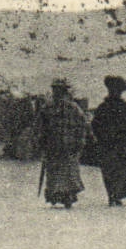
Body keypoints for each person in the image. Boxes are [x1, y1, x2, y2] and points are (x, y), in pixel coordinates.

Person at [37, 79, 90, 208]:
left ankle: (62, 197)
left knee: (63, 173)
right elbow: (41, 127)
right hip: (60, 146)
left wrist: (79, 141)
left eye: (58, 90)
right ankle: (62, 197)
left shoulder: (59, 108)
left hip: (64, 146)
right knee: (63, 173)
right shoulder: (70, 108)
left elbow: (82, 126)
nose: (57, 93)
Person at [91, 76, 126, 205]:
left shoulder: (106, 107)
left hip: (113, 146)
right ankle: (114, 195)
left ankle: (114, 195)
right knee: (116, 170)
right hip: (117, 146)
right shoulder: (125, 108)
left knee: (112, 171)